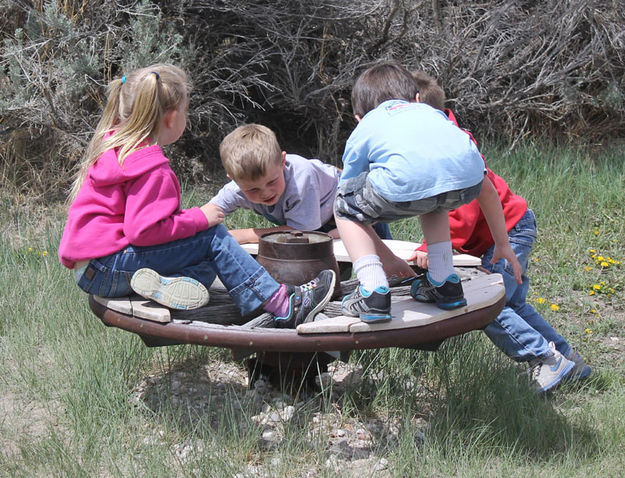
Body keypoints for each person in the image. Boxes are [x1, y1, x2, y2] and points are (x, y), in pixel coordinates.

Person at [58, 64, 335, 328]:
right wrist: (199, 219)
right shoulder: (151, 168)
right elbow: (143, 231)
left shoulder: (114, 148)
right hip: (110, 268)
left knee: (206, 262)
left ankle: (163, 287)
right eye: (185, 110)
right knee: (211, 236)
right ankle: (283, 305)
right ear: (171, 117)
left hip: (94, 272)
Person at [409, 70, 591, 391]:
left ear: (417, 105)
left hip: (509, 231)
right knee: (511, 304)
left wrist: (429, 250)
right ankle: (568, 362)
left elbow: (462, 212)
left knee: (486, 304)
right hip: (511, 228)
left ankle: (544, 360)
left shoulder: (448, 147)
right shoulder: (445, 138)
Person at [334, 61, 522, 324]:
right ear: (418, 99)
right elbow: (487, 189)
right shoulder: (437, 117)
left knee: (344, 206)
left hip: (402, 187)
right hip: (465, 184)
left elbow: (349, 186)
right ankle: (444, 281)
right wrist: (503, 243)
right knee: (436, 197)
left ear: (358, 118)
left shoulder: (368, 124)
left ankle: (373, 291)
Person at [209, 123, 392, 244]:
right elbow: (206, 214)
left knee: (383, 263)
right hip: (316, 223)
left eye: (272, 181)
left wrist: (246, 235)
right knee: (322, 268)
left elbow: (301, 233)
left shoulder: (302, 178)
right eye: (253, 189)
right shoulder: (237, 189)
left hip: (356, 210)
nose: (265, 193)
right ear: (233, 179)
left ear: (283, 162)